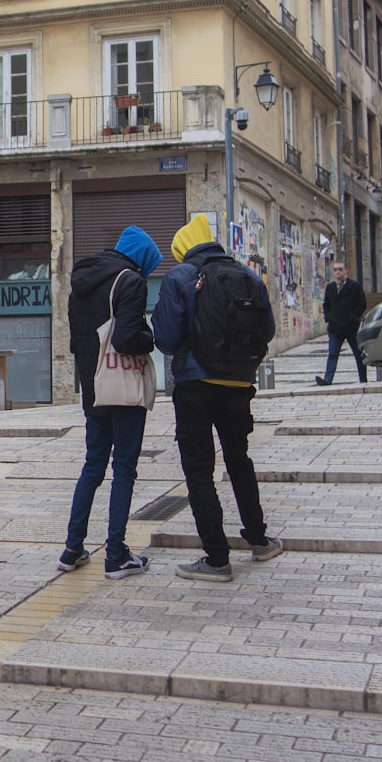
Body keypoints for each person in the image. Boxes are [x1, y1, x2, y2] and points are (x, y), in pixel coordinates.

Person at [151, 214, 281, 582]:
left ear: (182, 248)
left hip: (195, 384)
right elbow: (268, 329)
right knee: (238, 459)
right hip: (239, 384)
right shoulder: (249, 276)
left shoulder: (179, 277)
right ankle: (259, 540)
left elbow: (167, 338)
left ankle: (216, 558)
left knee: (199, 470)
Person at [59, 225, 162, 580]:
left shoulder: (82, 280)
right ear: (142, 258)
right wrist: (150, 337)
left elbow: (75, 341)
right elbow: (127, 337)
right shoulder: (130, 281)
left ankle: (72, 548)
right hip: (122, 388)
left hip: (93, 387)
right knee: (124, 469)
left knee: (93, 465)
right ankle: (116, 554)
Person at [315, 259, 367, 386]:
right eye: (335, 269)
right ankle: (327, 379)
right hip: (335, 327)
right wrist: (329, 317)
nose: (338, 272)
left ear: (345, 271)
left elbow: (362, 303)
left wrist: (354, 317)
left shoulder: (354, 286)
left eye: (340, 269)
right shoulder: (331, 287)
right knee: (332, 353)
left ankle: (363, 379)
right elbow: (326, 304)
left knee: (358, 354)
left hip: (351, 327)